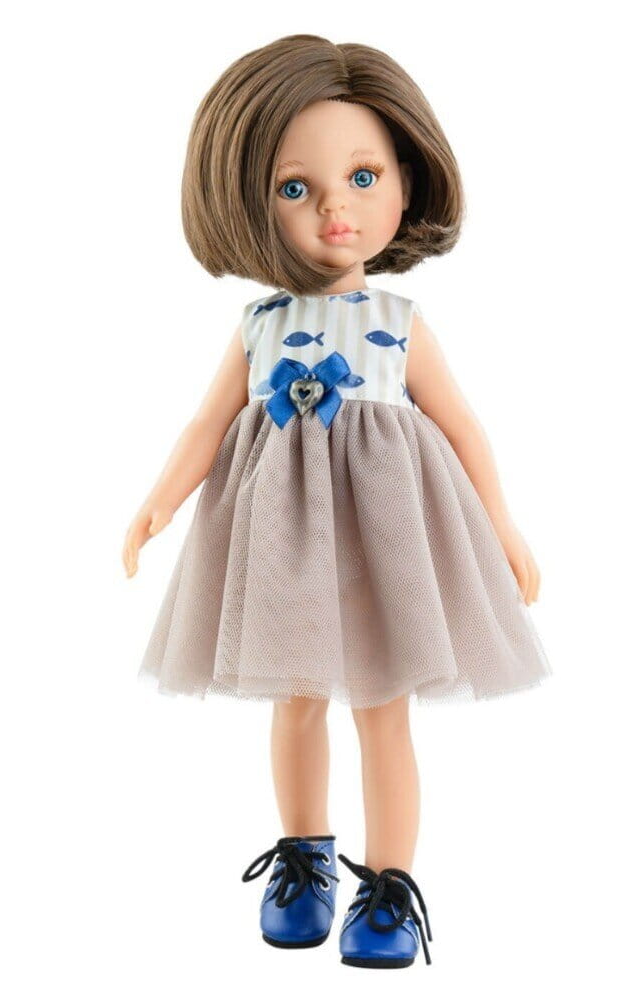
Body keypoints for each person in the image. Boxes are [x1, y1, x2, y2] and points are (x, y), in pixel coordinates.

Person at [122, 34, 551, 969]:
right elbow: (206, 425)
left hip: (386, 538)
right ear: (246, 200)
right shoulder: (258, 325)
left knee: (382, 708)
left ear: (405, 182)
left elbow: (463, 427)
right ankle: (303, 858)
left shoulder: (398, 323)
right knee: (297, 700)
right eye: (294, 187)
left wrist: (503, 526)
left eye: (362, 178)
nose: (334, 209)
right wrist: (158, 503)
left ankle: (389, 884)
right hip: (283, 540)